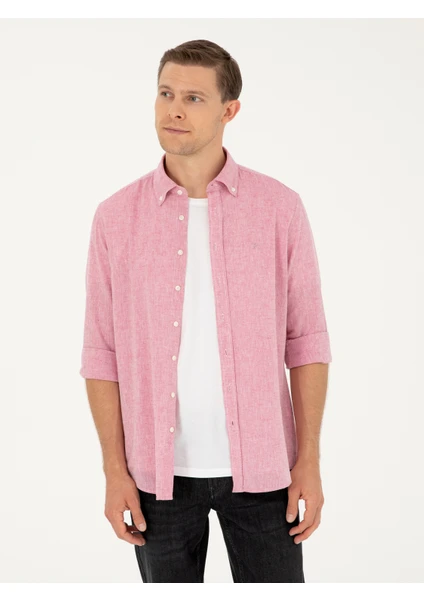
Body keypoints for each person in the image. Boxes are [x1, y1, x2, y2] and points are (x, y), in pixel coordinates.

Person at [80, 39, 332, 583]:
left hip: (266, 472)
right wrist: (114, 471)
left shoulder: (278, 208)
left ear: (229, 110)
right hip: (156, 479)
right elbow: (101, 354)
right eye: (165, 93)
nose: (174, 109)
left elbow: (307, 342)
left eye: (193, 98)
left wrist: (308, 460)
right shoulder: (115, 218)